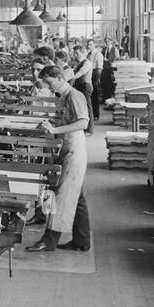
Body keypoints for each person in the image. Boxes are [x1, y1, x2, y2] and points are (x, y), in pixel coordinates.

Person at [26, 64, 91, 253]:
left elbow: (83, 122)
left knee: (61, 195)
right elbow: (67, 120)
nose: (49, 87)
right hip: (66, 148)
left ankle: (49, 240)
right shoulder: (63, 97)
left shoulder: (74, 95)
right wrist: (51, 123)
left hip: (74, 151)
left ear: (60, 78)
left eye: (50, 82)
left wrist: (55, 130)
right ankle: (82, 240)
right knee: (78, 197)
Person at [89, 39, 104, 121]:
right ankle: (91, 114)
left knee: (95, 96)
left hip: (95, 76)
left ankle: (96, 114)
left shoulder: (98, 54)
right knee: (91, 96)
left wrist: (96, 80)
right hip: (89, 76)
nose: (89, 46)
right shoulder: (89, 54)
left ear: (94, 45)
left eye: (90, 45)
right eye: (88, 45)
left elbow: (99, 68)